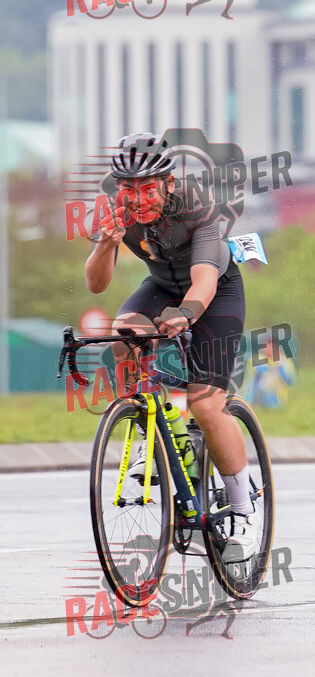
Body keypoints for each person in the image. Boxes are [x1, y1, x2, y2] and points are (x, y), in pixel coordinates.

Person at [85, 133, 258, 563]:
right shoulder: (115, 211)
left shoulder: (196, 205)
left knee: (205, 404)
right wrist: (106, 243)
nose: (138, 199)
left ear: (168, 183)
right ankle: (152, 430)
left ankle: (243, 509)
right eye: (129, 189)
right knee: (124, 332)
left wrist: (186, 314)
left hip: (215, 292)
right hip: (162, 284)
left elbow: (204, 279)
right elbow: (96, 284)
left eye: (147, 188)